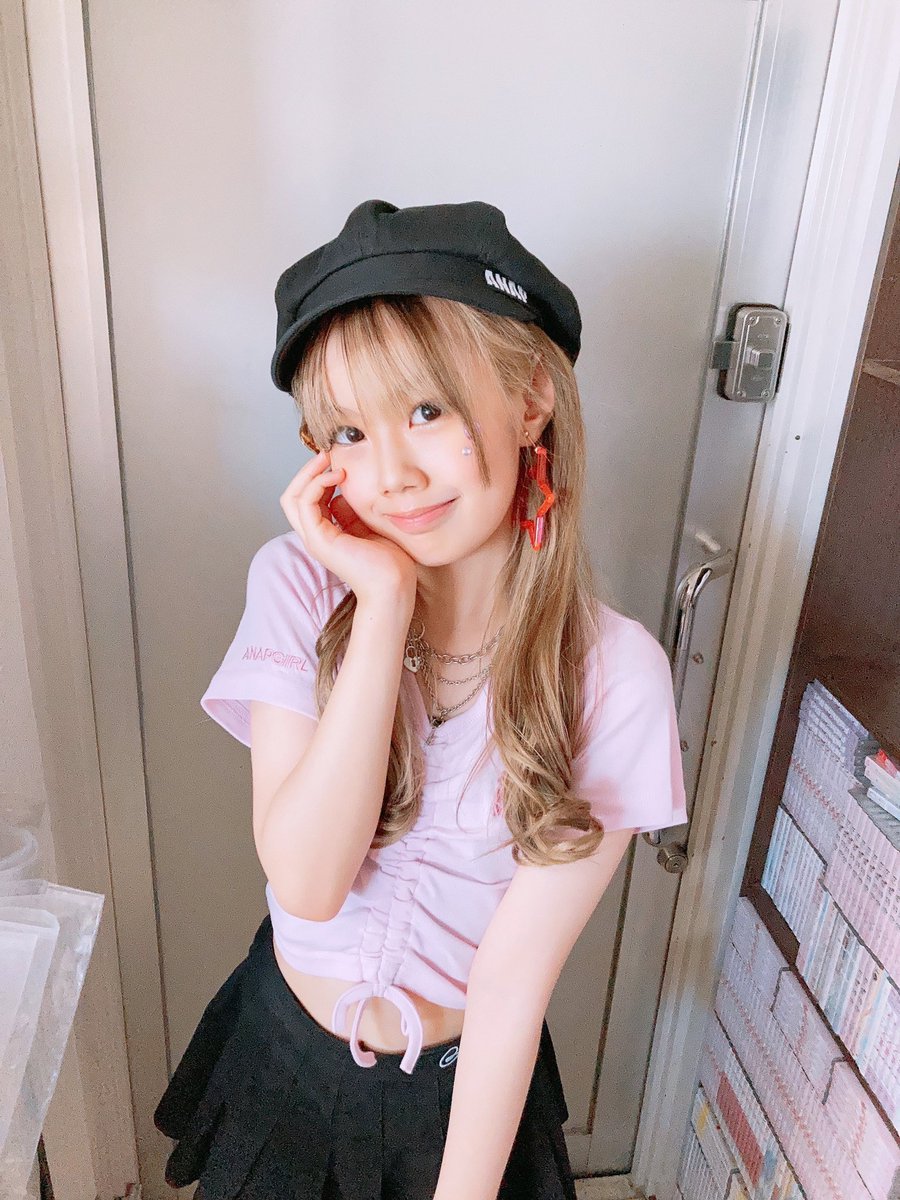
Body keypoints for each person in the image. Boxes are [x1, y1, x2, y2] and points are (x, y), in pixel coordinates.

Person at [153, 198, 688, 1200]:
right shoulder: (299, 585)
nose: (392, 475)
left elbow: (512, 985)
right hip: (280, 1063)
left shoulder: (617, 676)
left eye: (428, 411)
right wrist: (384, 602)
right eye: (349, 432)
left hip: (462, 1104)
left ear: (530, 399)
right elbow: (308, 881)